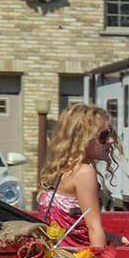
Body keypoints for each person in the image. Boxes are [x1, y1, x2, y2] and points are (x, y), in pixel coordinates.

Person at [36, 105, 119, 249]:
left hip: (56, 252)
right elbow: (94, 228)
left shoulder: (61, 169)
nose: (111, 140)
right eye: (104, 136)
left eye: (110, 133)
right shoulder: (84, 172)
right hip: (76, 256)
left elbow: (71, 225)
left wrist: (113, 237)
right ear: (83, 139)